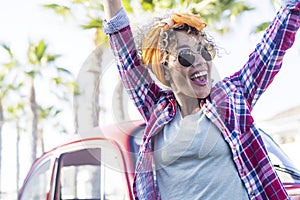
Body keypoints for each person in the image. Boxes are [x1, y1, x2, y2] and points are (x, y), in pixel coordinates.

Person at [103, 0, 300, 199]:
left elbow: (271, 48)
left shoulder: (230, 100)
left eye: (204, 51)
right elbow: (124, 54)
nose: (200, 61)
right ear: (164, 69)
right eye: (186, 56)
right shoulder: (156, 110)